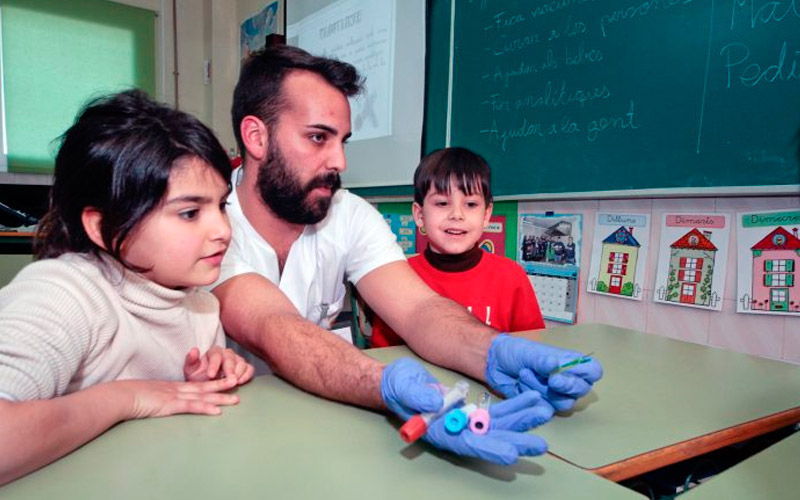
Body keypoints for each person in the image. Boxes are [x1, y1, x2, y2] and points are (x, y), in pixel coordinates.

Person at [212, 45, 603, 465]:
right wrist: (384, 385)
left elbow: (419, 309)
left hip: (321, 423)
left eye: (343, 141)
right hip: (230, 430)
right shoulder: (206, 224)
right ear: (256, 137)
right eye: (317, 137)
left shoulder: (348, 213)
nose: (339, 160)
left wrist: (492, 351)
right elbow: (274, 326)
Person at [0, 90, 254, 486]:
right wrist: (127, 398)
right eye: (189, 213)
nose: (223, 231)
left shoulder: (200, 304)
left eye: (221, 206)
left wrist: (199, 385)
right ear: (103, 227)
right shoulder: (63, 291)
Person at [369, 147, 545, 348]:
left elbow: (531, 347)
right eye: (443, 203)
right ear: (419, 215)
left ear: (486, 215)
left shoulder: (511, 276)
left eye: (470, 204)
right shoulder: (399, 278)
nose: (457, 215)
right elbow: (384, 356)